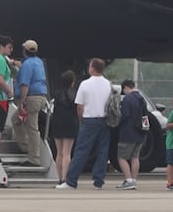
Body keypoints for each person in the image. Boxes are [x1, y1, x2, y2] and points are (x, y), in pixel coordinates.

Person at [58, 57, 114, 190]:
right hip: (104, 120)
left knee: (81, 151)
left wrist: (81, 119)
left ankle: (71, 181)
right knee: (102, 151)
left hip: (89, 120)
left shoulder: (85, 84)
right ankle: (98, 181)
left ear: (92, 68)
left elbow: (79, 106)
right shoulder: (108, 84)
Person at [12, 40, 49, 170]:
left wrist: (22, 102)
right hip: (41, 97)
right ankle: (26, 147)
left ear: (24, 51)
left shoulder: (27, 65)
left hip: (31, 98)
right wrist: (14, 63)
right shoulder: (38, 62)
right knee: (16, 120)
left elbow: (25, 84)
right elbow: (24, 64)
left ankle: (33, 157)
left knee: (32, 128)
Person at [49, 70, 81, 186]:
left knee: (59, 152)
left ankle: (59, 178)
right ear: (72, 82)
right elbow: (77, 108)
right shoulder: (75, 94)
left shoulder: (56, 94)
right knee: (67, 152)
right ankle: (65, 178)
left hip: (57, 122)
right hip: (70, 123)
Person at [114, 79, 147, 190]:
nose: (124, 92)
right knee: (135, 157)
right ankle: (134, 179)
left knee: (121, 157)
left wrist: (117, 121)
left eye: (124, 90)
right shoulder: (141, 98)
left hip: (128, 133)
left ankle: (128, 180)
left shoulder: (128, 99)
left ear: (127, 87)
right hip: (140, 133)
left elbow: (125, 116)